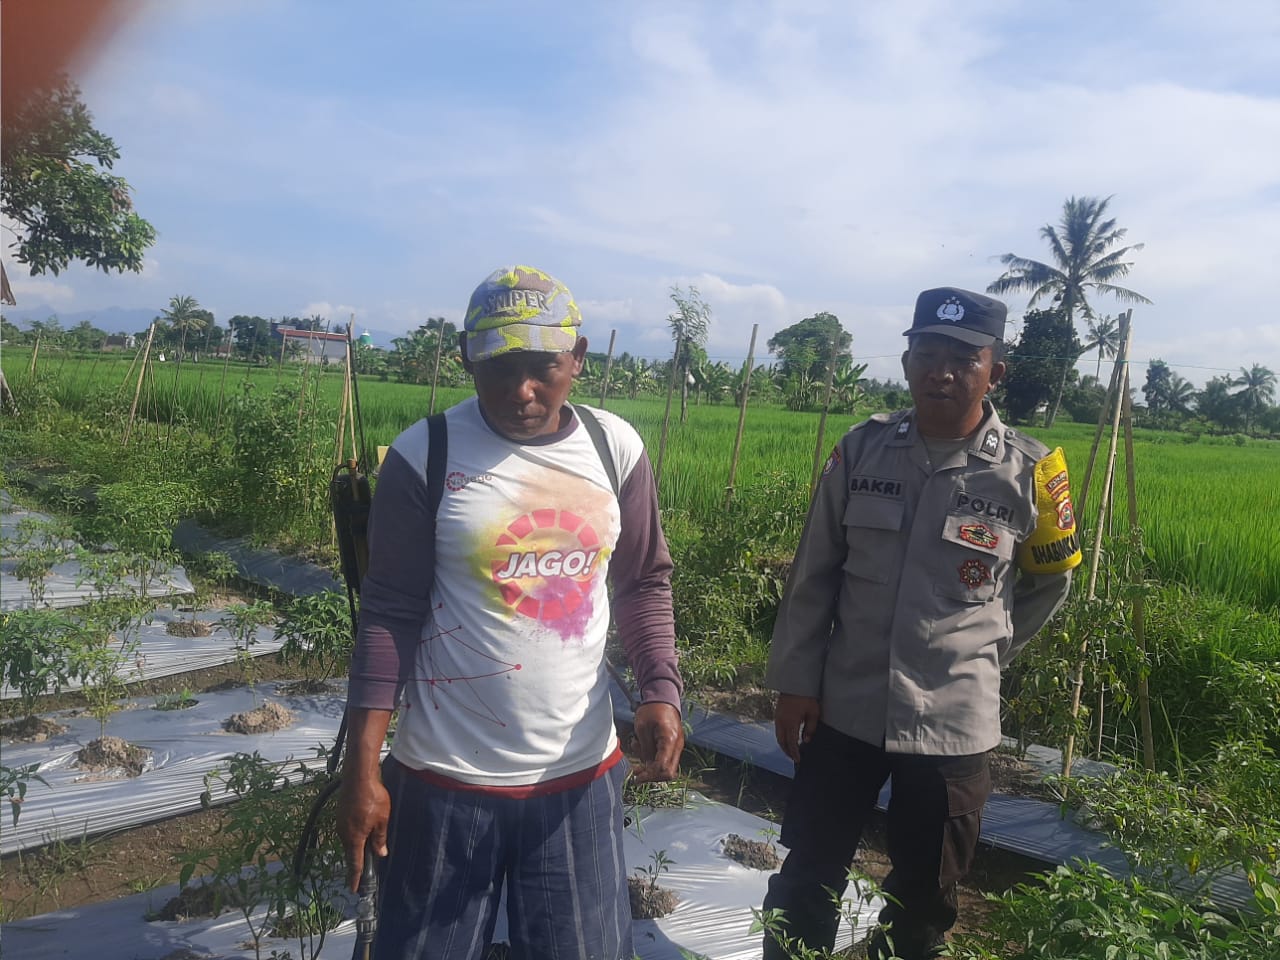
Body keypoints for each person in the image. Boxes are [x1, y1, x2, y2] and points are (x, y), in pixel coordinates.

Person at [338, 265, 685, 960]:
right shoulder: (426, 454)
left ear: (577, 359)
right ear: (467, 358)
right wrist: (363, 769)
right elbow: (389, 615)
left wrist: (660, 691)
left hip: (579, 782)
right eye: (498, 369)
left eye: (541, 368)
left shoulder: (612, 448)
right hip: (445, 782)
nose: (520, 391)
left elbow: (643, 580)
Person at [761, 286, 1081, 960]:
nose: (942, 371)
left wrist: (982, 653)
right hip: (845, 708)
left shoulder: (1032, 472)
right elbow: (814, 574)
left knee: (924, 899)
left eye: (963, 358)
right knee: (807, 874)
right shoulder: (862, 449)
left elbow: (1050, 582)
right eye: (927, 353)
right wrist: (796, 682)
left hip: (952, 725)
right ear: (906, 361)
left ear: (994, 371)